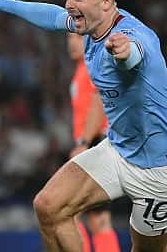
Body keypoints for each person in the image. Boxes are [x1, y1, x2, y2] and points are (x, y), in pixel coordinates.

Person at [0, 0, 167, 251]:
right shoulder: (90, 27)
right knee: (49, 207)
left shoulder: (132, 36)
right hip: (119, 150)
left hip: (163, 170)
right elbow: (52, 17)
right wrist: (1, 2)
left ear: (106, 2)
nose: (69, 4)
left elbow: (136, 53)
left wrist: (125, 52)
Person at [66, 33, 120, 252]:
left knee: (69, 212)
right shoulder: (82, 68)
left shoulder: (92, 65)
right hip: (93, 145)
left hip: (94, 144)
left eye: (77, 38)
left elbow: (99, 101)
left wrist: (84, 142)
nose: (71, 43)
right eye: (69, 38)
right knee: (97, 218)